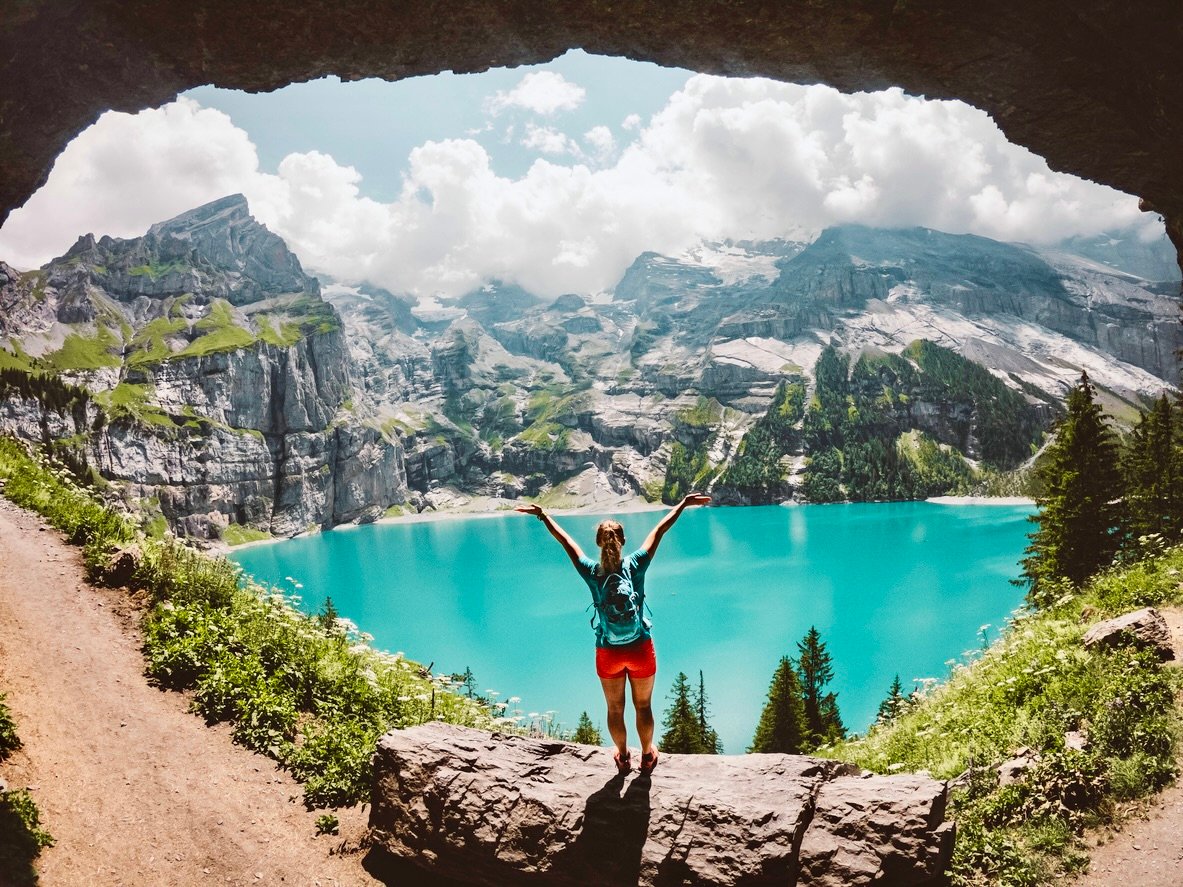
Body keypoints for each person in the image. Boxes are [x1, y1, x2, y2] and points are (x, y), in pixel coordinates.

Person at [515, 493, 711, 774]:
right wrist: (682, 504)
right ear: (623, 541)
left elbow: (566, 543)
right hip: (640, 648)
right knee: (643, 706)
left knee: (615, 709)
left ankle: (622, 756)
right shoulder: (635, 565)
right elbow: (659, 530)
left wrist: (543, 515)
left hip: (608, 651)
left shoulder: (591, 572)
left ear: (599, 542)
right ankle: (647, 755)